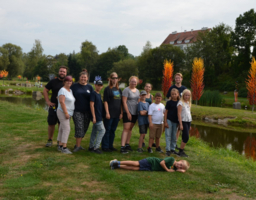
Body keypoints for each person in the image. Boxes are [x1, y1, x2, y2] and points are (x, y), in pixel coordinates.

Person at [43, 66, 67, 147]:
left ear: (66, 73)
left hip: (63, 107)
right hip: (54, 106)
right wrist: (48, 102)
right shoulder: (53, 81)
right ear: (58, 72)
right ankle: (50, 140)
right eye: (61, 71)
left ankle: (59, 141)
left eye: (64, 72)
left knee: (61, 124)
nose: (62, 73)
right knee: (51, 123)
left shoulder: (68, 82)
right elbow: (45, 90)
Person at [71, 70, 94, 152]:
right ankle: (77, 146)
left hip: (87, 111)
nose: (83, 78)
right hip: (77, 110)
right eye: (82, 77)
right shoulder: (74, 86)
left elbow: (93, 99)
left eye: (85, 77)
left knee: (84, 128)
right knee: (79, 127)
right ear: (79, 78)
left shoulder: (90, 87)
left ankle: (78, 145)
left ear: (87, 78)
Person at [102, 72, 123, 152]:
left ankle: (110, 145)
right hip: (109, 113)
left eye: (116, 78)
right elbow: (106, 101)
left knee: (113, 130)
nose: (115, 79)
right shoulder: (107, 89)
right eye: (113, 78)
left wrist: (121, 112)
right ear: (110, 79)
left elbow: (120, 102)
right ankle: (105, 146)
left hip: (116, 114)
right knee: (107, 129)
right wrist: (107, 112)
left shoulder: (119, 90)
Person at [166, 73, 187, 150]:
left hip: (181, 110)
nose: (177, 79)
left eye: (179, 78)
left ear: (181, 79)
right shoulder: (172, 87)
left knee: (178, 128)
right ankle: (170, 145)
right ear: (175, 79)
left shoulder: (184, 89)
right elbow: (169, 98)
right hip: (173, 111)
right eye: (176, 78)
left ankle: (174, 143)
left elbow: (186, 99)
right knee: (171, 130)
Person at [56, 76, 75, 154]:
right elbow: (61, 102)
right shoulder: (62, 90)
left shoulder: (70, 90)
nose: (69, 82)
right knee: (67, 129)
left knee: (62, 128)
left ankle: (60, 145)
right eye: (67, 81)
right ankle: (64, 147)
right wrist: (66, 113)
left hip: (68, 112)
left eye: (70, 81)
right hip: (63, 112)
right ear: (64, 82)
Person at [121, 76, 140, 154]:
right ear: (129, 82)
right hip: (128, 112)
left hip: (135, 112)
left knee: (130, 128)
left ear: (137, 83)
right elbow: (124, 102)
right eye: (132, 81)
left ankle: (127, 144)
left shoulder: (138, 91)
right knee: (126, 128)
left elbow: (138, 101)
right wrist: (128, 112)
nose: (133, 83)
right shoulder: (126, 90)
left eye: (135, 81)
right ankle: (122, 146)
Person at [89, 76, 106, 154]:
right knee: (102, 130)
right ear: (95, 85)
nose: (99, 87)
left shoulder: (99, 94)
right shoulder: (93, 93)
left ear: (102, 86)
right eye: (97, 85)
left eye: (100, 85)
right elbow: (91, 105)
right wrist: (94, 117)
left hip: (99, 115)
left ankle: (91, 146)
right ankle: (96, 147)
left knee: (94, 131)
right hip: (96, 116)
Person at [109, 157, 189, 173]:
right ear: (180, 160)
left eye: (181, 166)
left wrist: (182, 170)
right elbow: (162, 163)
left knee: (135, 168)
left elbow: (181, 171)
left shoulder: (174, 168)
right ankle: (117, 162)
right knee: (136, 164)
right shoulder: (172, 159)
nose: (179, 166)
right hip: (151, 162)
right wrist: (167, 170)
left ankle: (117, 166)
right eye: (180, 164)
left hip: (151, 168)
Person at [164, 88, 180, 156]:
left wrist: (180, 122)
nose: (174, 95)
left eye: (175, 94)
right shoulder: (169, 102)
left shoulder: (179, 103)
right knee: (168, 135)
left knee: (174, 136)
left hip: (176, 121)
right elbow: (166, 112)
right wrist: (165, 122)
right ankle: (168, 149)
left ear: (178, 94)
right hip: (169, 120)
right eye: (172, 94)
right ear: (170, 95)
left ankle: (172, 149)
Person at [177, 89, 192, 157]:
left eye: (188, 95)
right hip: (183, 121)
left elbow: (188, 113)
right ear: (183, 95)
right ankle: (181, 150)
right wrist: (180, 124)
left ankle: (181, 151)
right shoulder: (180, 103)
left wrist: (190, 124)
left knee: (184, 136)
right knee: (186, 136)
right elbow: (179, 114)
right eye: (186, 95)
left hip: (188, 121)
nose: (187, 96)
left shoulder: (188, 103)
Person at [143, 83, 154, 147]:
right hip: (143, 113)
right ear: (144, 87)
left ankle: (152, 142)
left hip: (149, 114)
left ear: (151, 88)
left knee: (151, 128)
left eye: (149, 87)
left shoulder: (151, 96)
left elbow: (152, 104)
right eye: (146, 86)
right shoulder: (142, 95)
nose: (148, 88)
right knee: (144, 128)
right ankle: (142, 141)